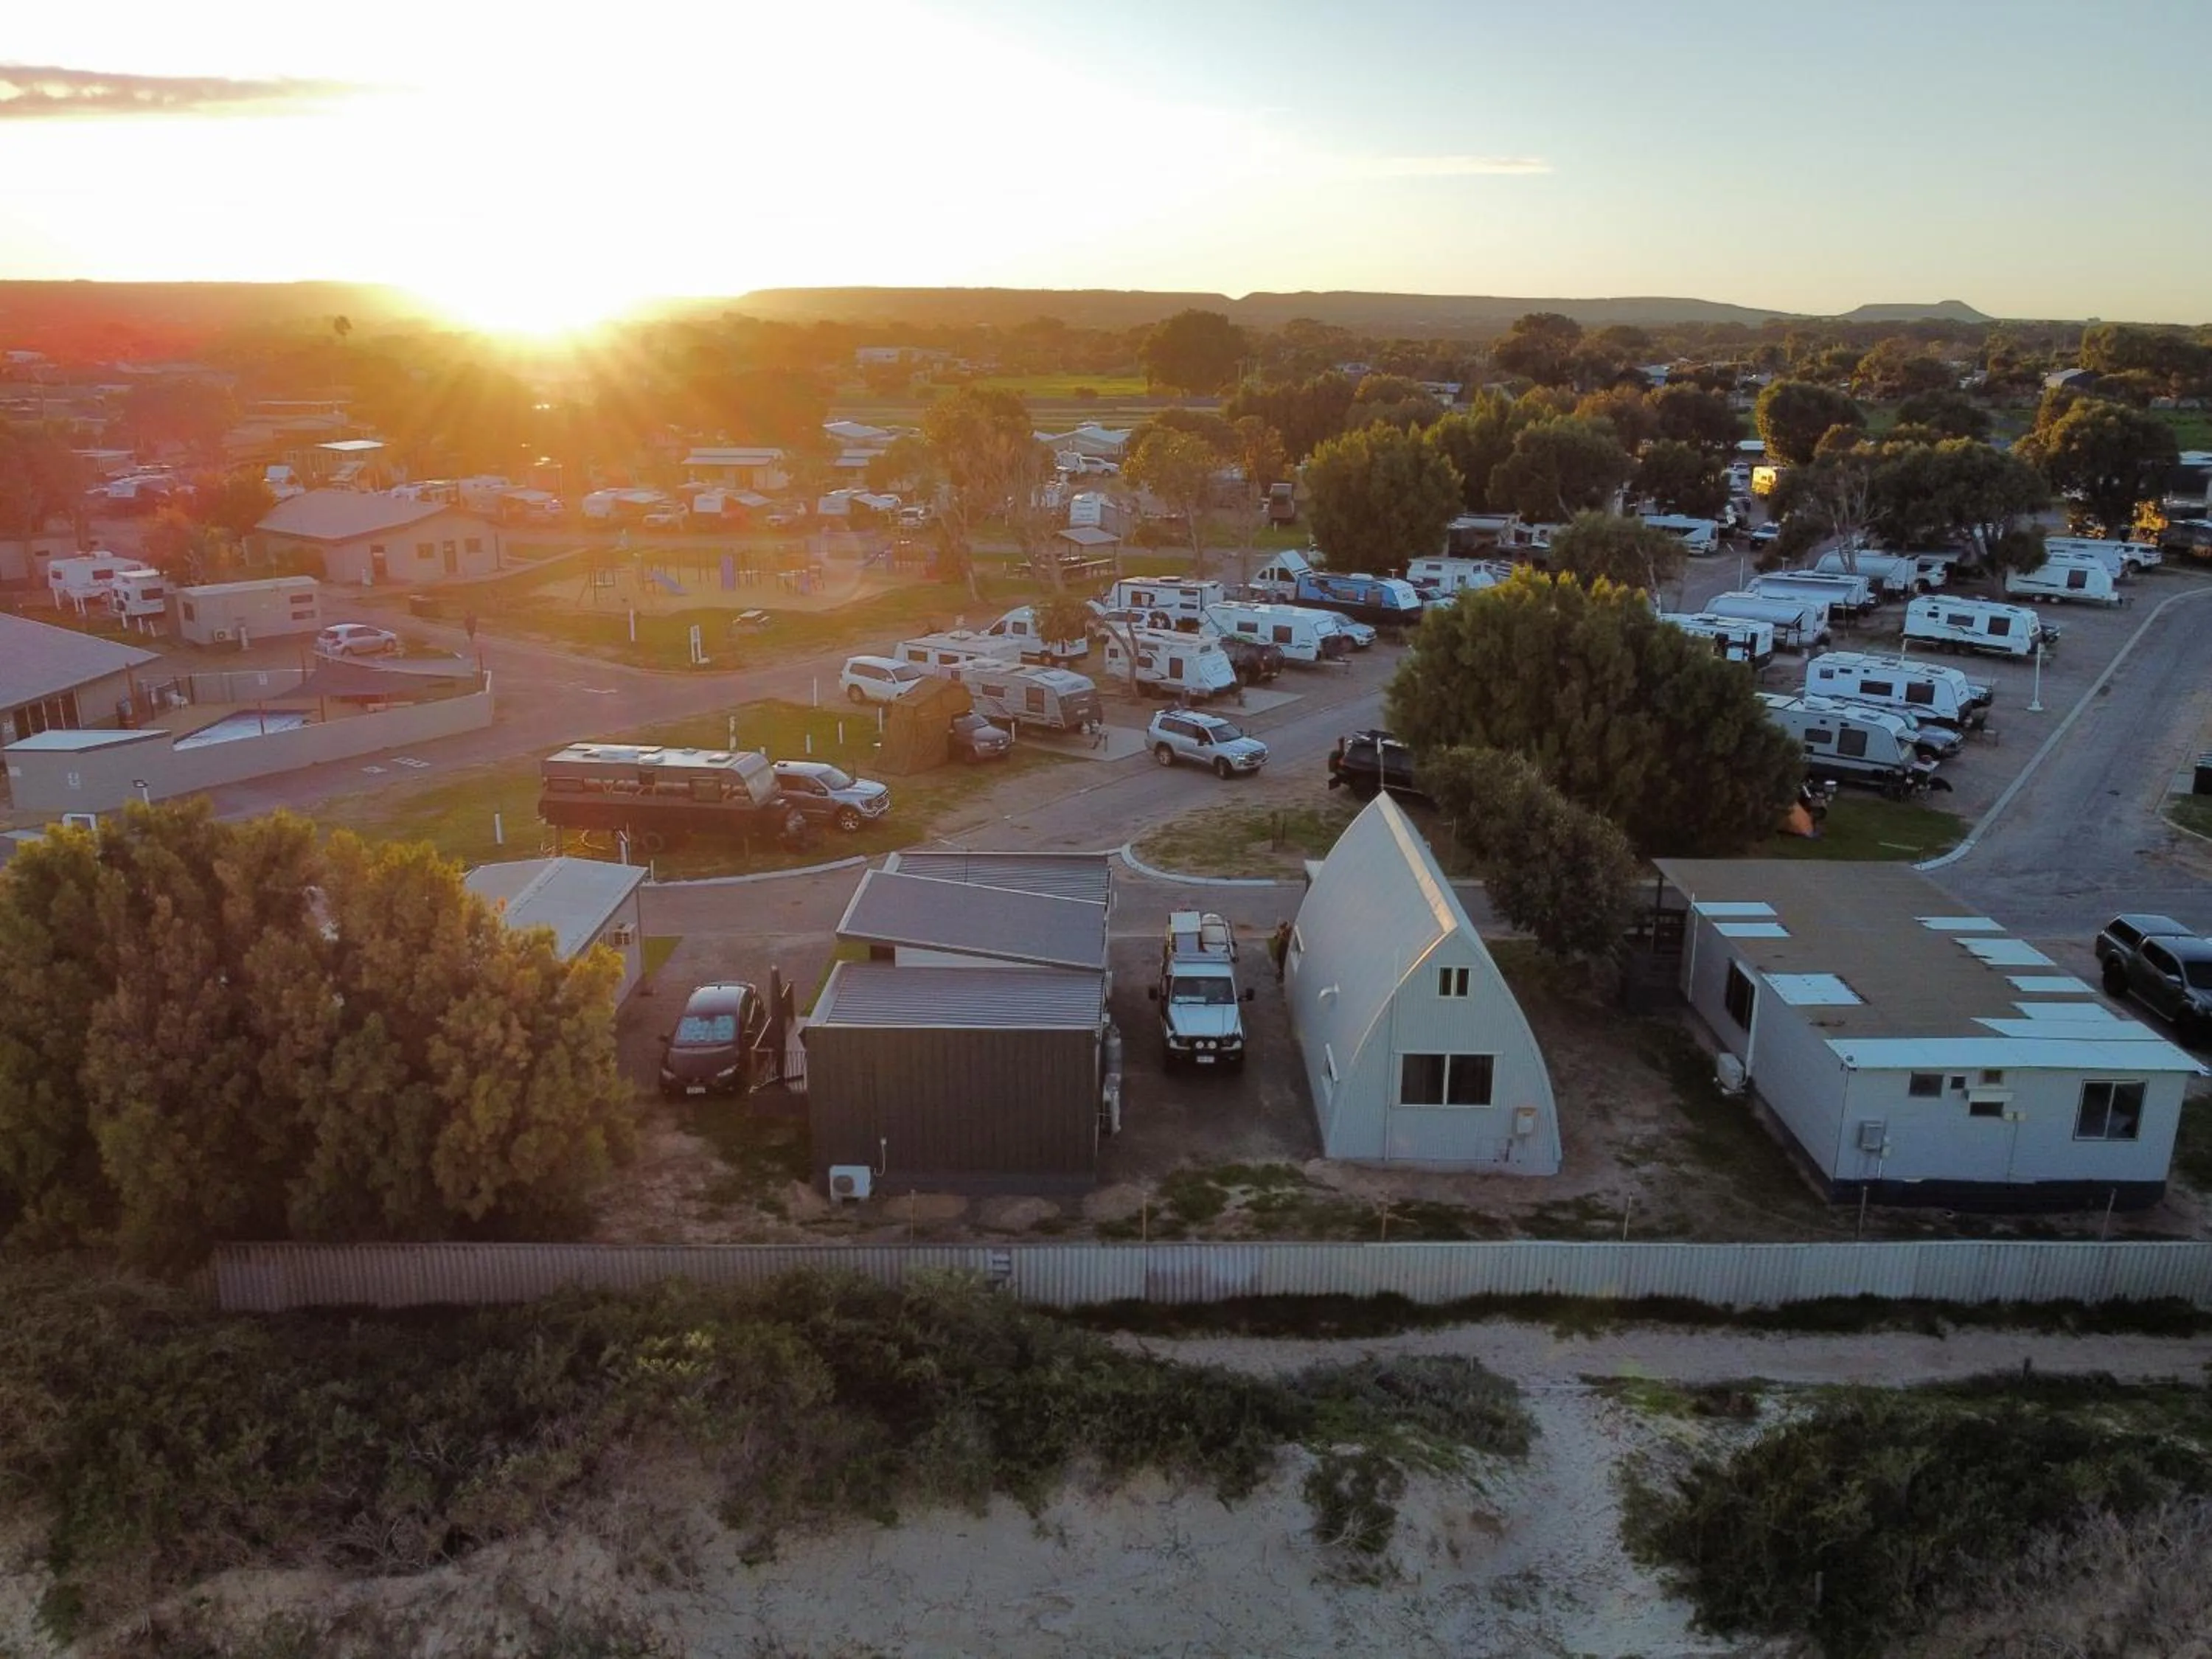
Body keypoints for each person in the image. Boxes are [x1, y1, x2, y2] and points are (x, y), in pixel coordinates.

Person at [1268, 920, 1292, 984]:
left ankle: (1282, 974)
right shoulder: (1282, 934)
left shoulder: (1286, 934)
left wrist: (1282, 936)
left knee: (1282, 961)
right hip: (1281, 948)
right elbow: (1277, 937)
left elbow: (1287, 940)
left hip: (1284, 949)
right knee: (1280, 960)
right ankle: (1281, 972)